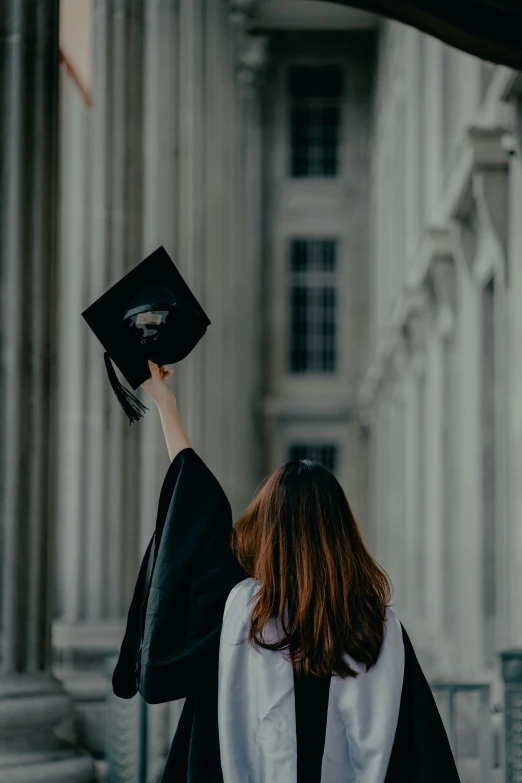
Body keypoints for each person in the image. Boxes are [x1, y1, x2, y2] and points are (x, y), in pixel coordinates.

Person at [112, 359, 461, 783]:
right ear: (342, 533)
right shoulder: (379, 630)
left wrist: (166, 404)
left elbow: (194, 512)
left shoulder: (239, 615)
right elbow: (424, 759)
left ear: (266, 532)